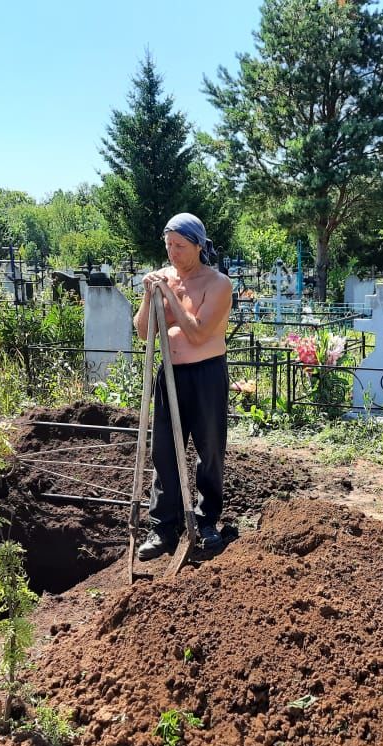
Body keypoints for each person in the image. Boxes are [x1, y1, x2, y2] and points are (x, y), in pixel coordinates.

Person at [133, 213, 233, 561]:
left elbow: (198, 333)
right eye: (168, 245)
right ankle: (163, 527)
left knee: (209, 451)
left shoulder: (217, 284)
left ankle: (206, 523)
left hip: (206, 375)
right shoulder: (165, 279)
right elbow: (145, 332)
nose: (172, 253)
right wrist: (149, 296)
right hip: (170, 374)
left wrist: (171, 295)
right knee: (164, 451)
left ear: (198, 246)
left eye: (179, 246)